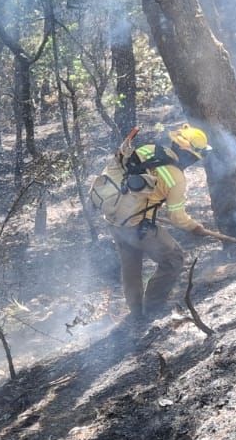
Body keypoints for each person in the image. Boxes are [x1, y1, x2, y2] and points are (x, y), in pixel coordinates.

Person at [88, 124, 219, 322]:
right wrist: (195, 227)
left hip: (115, 221)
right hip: (137, 226)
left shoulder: (146, 150)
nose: (193, 162)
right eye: (194, 158)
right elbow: (177, 217)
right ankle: (153, 309)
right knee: (173, 257)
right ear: (189, 155)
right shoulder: (176, 178)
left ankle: (136, 312)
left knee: (130, 265)